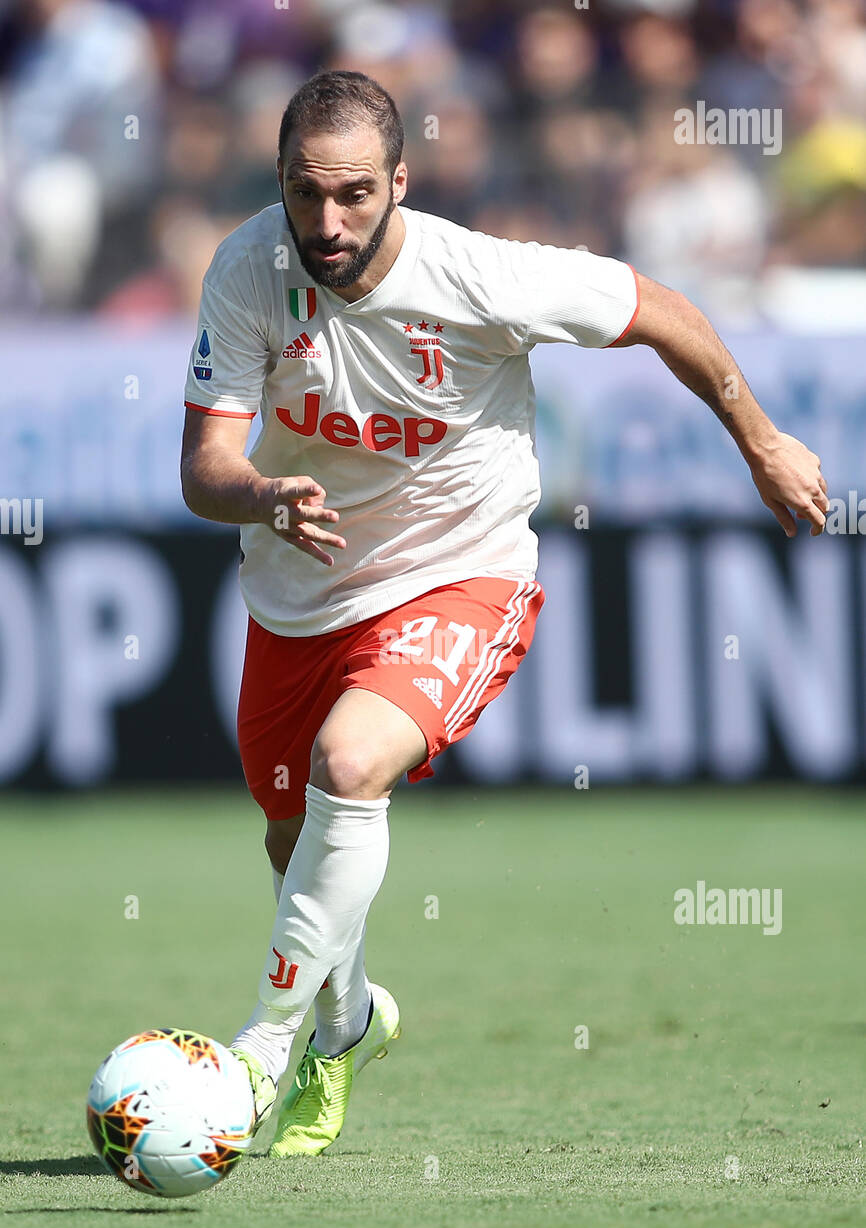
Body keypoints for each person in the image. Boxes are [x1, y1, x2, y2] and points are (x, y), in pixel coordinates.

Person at [180, 69, 827, 1158]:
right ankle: (346, 1025)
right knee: (294, 845)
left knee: (349, 766)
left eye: (351, 195)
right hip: (296, 590)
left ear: (399, 180)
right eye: (303, 194)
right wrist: (261, 495)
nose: (325, 223)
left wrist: (758, 440)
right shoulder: (248, 266)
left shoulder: (478, 274)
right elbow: (203, 466)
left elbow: (661, 311)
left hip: (459, 572)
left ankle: (259, 1049)